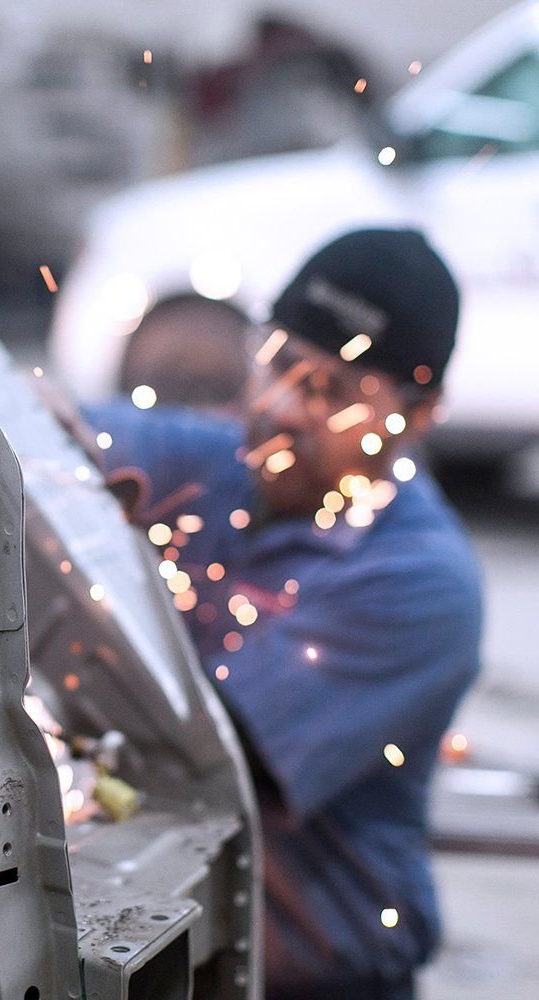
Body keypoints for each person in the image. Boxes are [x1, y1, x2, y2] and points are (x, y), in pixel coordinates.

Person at [82, 228, 482, 999]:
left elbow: (206, 758)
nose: (282, 409)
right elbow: (44, 430)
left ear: (420, 414)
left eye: (333, 392)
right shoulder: (221, 461)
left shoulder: (423, 581)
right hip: (197, 959)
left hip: (326, 980)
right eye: (278, 363)